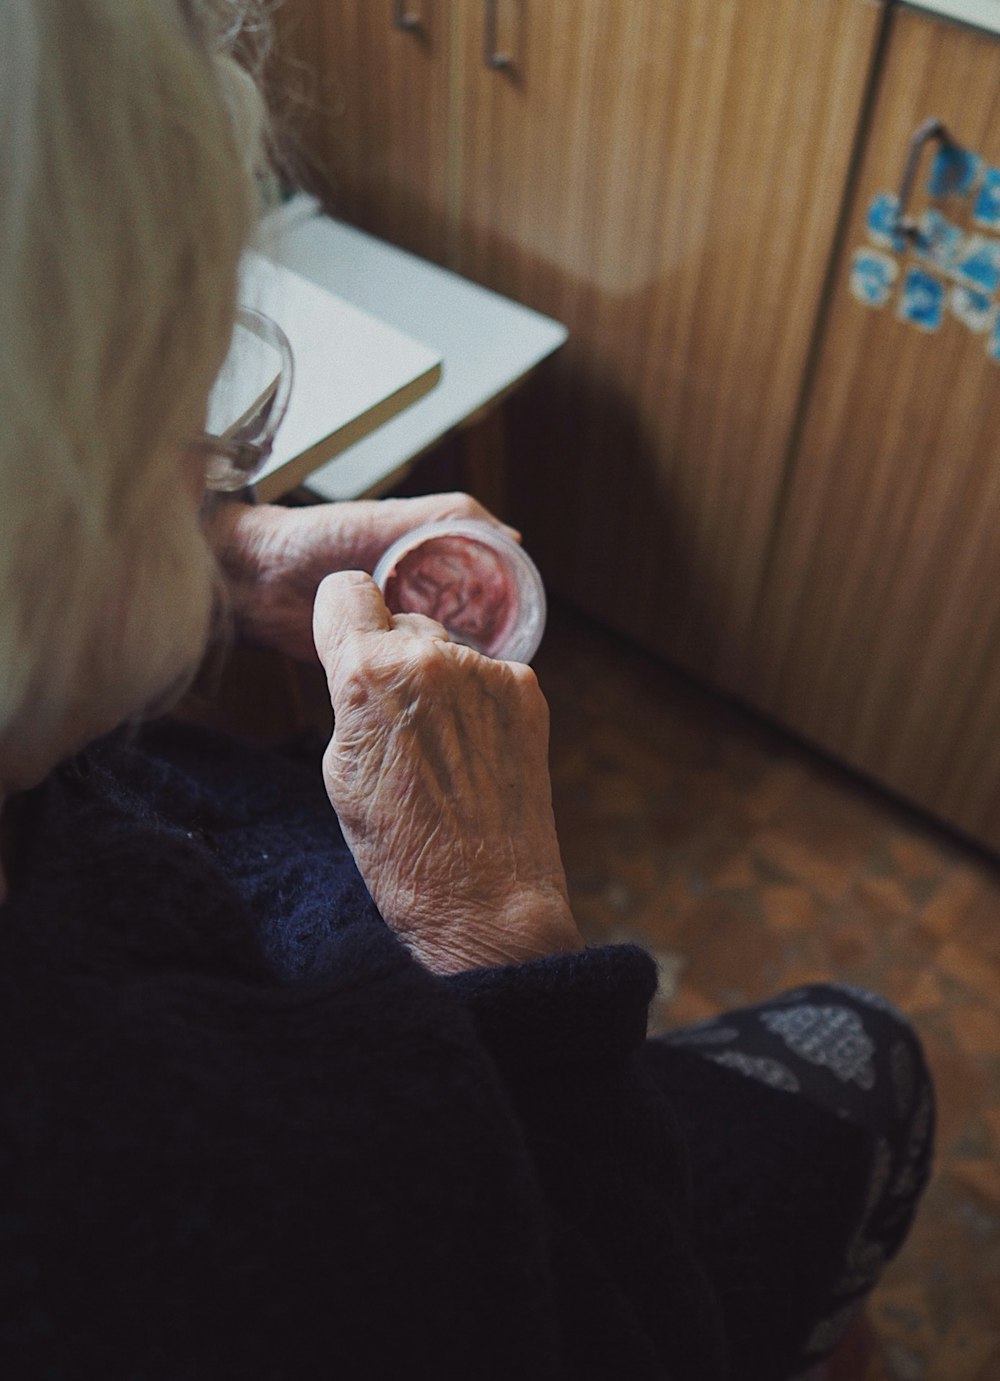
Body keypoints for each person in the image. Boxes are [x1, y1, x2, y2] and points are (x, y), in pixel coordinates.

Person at [0, 3, 933, 1378]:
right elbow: (620, 1328)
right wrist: (493, 917)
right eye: (183, 444)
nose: (218, 478)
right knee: (869, 1055)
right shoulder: (207, 1179)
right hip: (549, 1189)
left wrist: (214, 559)